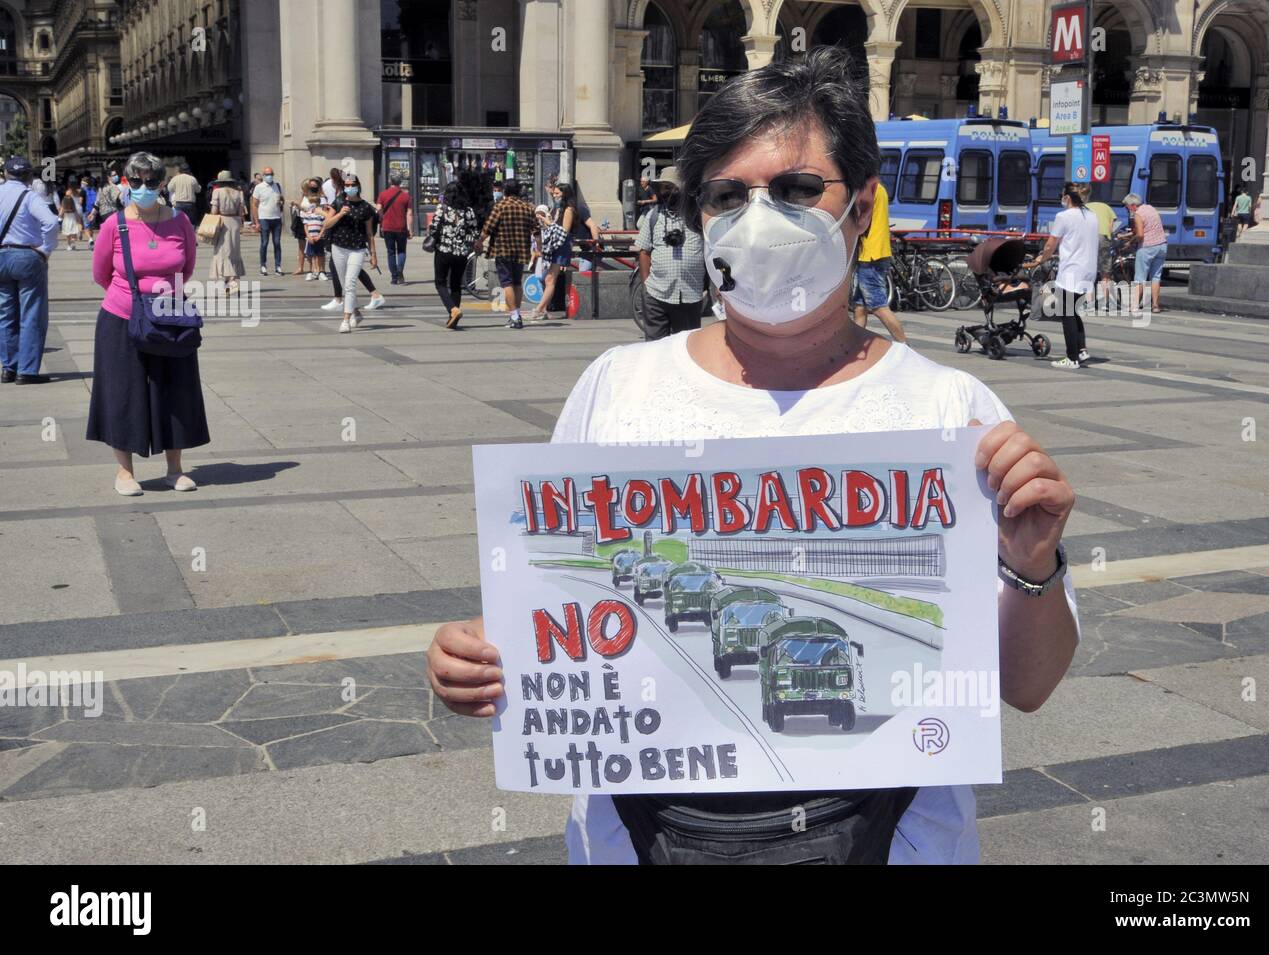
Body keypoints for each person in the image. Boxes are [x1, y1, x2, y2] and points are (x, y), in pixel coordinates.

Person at [427, 46, 1079, 867]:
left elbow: (1028, 684)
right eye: (728, 195)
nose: (760, 217)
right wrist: (476, 659)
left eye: (800, 188)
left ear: (863, 205)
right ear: (698, 214)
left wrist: (1032, 563)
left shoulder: (952, 413)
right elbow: (554, 611)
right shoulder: (616, 387)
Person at [87, 151, 208, 495]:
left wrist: (161, 298)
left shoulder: (180, 221)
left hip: (171, 317)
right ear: (126, 182)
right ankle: (124, 472)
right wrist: (134, 301)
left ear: (162, 183)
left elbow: (186, 269)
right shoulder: (115, 224)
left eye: (151, 181)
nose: (144, 187)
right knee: (124, 392)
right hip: (122, 318)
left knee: (176, 389)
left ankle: (175, 469)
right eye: (136, 181)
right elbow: (101, 274)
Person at [0, 156, 60, 385]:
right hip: (26, 256)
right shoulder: (29, 196)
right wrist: (45, 249)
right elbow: (51, 222)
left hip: (1, 257)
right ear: (28, 176)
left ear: (6, 174)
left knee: (5, 314)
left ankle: (8, 368)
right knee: (31, 313)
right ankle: (26, 371)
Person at [631, 166, 707, 341]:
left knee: (686, 348)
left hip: (690, 295)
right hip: (657, 294)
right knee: (654, 347)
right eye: (664, 188)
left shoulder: (697, 217)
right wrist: (646, 285)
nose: (668, 192)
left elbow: (711, 250)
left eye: (672, 187)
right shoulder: (653, 216)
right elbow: (644, 251)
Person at [1027, 184, 1097, 370]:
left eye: (1062, 195)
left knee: (1066, 314)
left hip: (1072, 270)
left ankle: (1071, 358)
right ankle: (1081, 350)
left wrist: (1041, 259)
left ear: (1067, 197)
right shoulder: (1092, 216)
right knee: (1073, 311)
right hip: (1088, 270)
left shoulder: (1063, 217)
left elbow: (1051, 244)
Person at [320, 172, 379, 334]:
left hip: (357, 248)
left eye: (352, 185)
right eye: (347, 185)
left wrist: (373, 254)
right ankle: (355, 312)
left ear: (358, 186)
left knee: (350, 282)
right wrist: (340, 214)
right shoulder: (338, 202)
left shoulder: (366, 207)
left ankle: (345, 320)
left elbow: (369, 233)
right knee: (345, 285)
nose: (350, 187)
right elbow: (327, 224)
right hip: (338, 247)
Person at [476, 178, 536, 330]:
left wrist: (478, 242)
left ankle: (515, 316)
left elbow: (488, 227)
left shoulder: (500, 206)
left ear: (505, 191)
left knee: (507, 283)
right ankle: (516, 315)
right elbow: (536, 230)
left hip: (503, 249)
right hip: (521, 250)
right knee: (517, 282)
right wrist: (539, 249)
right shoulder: (527, 207)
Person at [850, 177, 906, 342]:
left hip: (870, 255)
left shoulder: (867, 190)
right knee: (859, 307)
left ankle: (905, 346)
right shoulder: (878, 188)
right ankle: (856, 344)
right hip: (873, 252)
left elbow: (856, 217)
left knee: (878, 306)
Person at [428, 182, 478, 329]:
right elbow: (474, 232)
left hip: (443, 251)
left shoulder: (442, 208)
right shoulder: (468, 211)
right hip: (461, 253)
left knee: (440, 282)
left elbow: (434, 228)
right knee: (456, 284)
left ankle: (453, 309)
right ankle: (453, 319)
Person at [530, 181, 578, 321]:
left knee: (550, 279)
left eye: (557, 194)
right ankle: (543, 309)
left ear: (564, 195)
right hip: (554, 246)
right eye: (554, 193)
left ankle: (539, 309)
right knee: (548, 278)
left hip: (561, 247)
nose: (555, 196)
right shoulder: (558, 210)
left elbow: (564, 232)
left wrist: (548, 222)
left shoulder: (569, 210)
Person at [1123, 192, 1166, 315]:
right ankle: (1155, 306)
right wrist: (1129, 235)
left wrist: (1130, 242)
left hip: (1148, 247)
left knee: (1140, 278)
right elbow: (1148, 228)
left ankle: (1134, 306)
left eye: (1127, 207)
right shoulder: (1151, 208)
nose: (1127, 209)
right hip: (1162, 245)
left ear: (1132, 205)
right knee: (1156, 277)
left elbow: (1140, 235)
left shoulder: (1138, 214)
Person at [208, 169, 247, 294]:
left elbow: (214, 211)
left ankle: (226, 280)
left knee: (223, 251)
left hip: (222, 222)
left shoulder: (217, 191)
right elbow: (241, 212)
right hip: (234, 222)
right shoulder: (238, 193)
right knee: (234, 251)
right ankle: (233, 280)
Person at [1080, 183, 1116, 305]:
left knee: (1089, 272)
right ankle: (1105, 303)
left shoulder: (1085, 207)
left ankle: (1089, 302)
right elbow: (1111, 227)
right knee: (1105, 273)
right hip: (1104, 238)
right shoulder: (1107, 207)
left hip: (1090, 238)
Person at [376, 174, 414, 284]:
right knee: (402, 251)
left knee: (391, 252)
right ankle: (400, 270)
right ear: (400, 182)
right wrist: (410, 230)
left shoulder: (383, 194)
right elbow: (410, 214)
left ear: (389, 181)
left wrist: (383, 217)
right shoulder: (406, 196)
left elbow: (378, 208)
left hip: (387, 227)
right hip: (401, 227)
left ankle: (394, 277)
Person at [251, 166, 284, 276]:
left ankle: (278, 266)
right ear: (263, 175)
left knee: (277, 243)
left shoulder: (277, 186)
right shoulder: (259, 187)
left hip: (276, 218)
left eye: (270, 174)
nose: (269, 176)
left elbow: (281, 199)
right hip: (264, 218)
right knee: (264, 243)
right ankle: (263, 265)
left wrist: (281, 203)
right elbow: (254, 205)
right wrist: (256, 222)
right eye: (266, 174)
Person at [300, 179, 329, 281]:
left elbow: (325, 222)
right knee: (310, 255)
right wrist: (308, 235)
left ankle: (321, 271)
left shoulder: (322, 203)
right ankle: (312, 271)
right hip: (310, 235)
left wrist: (320, 234)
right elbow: (305, 224)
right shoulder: (307, 211)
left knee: (320, 253)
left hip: (319, 235)